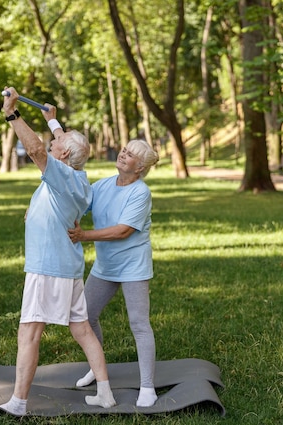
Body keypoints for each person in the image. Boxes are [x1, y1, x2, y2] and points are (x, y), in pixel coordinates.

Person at [0, 87, 115, 416]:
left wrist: (12, 113)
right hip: (67, 265)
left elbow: (36, 149)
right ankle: (105, 392)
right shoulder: (79, 177)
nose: (54, 143)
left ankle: (19, 403)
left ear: (63, 156)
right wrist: (53, 122)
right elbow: (61, 145)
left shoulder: (61, 174)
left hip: (47, 266)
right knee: (81, 328)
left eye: (58, 144)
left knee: (29, 330)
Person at [68, 139, 160, 407]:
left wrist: (83, 235)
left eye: (130, 155)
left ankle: (147, 387)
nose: (123, 154)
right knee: (85, 315)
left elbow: (123, 231)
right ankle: (97, 369)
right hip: (105, 267)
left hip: (133, 268)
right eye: (124, 150)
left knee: (140, 325)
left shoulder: (140, 193)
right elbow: (78, 205)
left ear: (140, 167)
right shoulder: (104, 185)